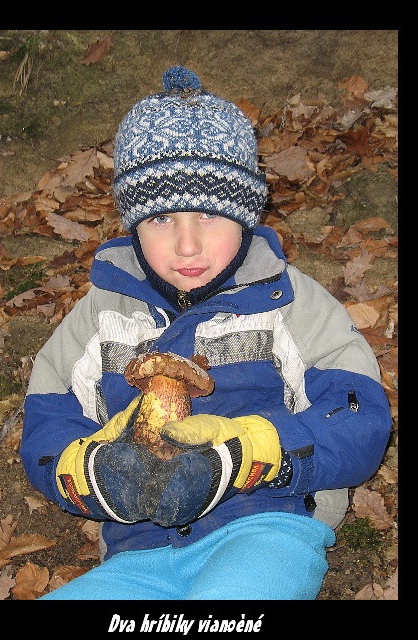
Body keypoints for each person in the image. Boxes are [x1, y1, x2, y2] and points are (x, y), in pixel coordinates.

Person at [20, 66, 392, 600]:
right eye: (162, 219)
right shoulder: (100, 314)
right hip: (136, 554)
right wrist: (95, 469)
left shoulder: (290, 303)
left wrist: (252, 452)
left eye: (209, 217)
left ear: (246, 216)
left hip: (266, 528)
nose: (188, 246)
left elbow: (361, 421)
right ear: (132, 222)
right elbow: (46, 422)